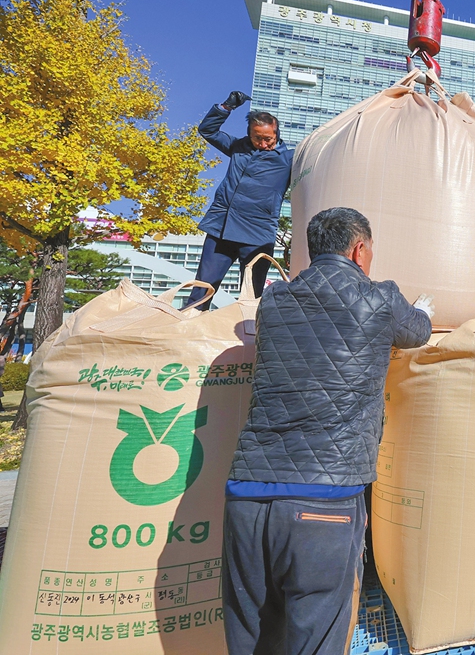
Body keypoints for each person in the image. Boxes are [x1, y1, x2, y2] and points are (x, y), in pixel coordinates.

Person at [221, 207, 433, 654]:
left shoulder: (274, 300)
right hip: (325, 501)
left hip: (247, 495)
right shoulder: (380, 298)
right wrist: (419, 311)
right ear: (359, 250)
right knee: (314, 638)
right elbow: (418, 333)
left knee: (250, 638)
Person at [186, 90, 293, 310]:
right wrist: (226, 106)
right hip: (221, 229)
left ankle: (249, 340)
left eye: (268, 139)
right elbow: (207, 130)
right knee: (201, 291)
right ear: (248, 134)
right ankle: (186, 329)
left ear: (277, 134)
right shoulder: (238, 148)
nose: (263, 144)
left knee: (252, 297)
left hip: (257, 234)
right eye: (257, 138)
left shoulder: (289, 158)